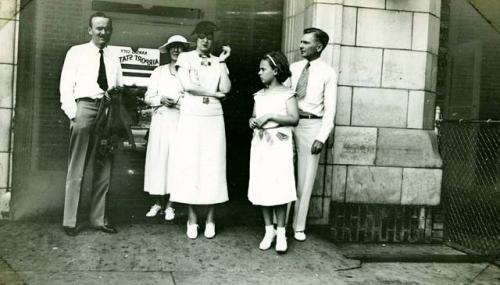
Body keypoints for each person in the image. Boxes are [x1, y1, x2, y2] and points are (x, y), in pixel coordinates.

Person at [59, 12, 122, 236]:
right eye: (98, 28)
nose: (103, 32)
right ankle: (70, 220)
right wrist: (74, 114)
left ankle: (98, 219)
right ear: (90, 30)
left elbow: (118, 86)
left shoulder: (115, 56)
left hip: (107, 111)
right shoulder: (76, 52)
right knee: (77, 167)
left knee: (104, 166)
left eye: (106, 28)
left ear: (111, 30)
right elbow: (66, 85)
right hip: (84, 109)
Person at [168, 21, 231, 239]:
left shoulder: (217, 60)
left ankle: (211, 219)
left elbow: (226, 88)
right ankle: (192, 219)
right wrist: (213, 94)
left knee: (213, 165)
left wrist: (222, 62)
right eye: (202, 36)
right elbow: (188, 86)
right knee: (191, 165)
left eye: (210, 37)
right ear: (196, 38)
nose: (206, 40)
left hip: (213, 116)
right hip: (192, 115)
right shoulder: (186, 58)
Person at [287, 28, 337, 242]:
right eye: (300, 41)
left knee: (305, 180)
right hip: (290, 123)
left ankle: (298, 226)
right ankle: (281, 224)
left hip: (312, 126)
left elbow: (330, 109)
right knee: (285, 173)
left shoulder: (328, 73)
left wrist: (321, 137)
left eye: (306, 42)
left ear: (318, 47)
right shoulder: (293, 68)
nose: (301, 46)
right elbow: (284, 96)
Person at [248, 51, 299, 253]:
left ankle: (281, 232)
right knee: (263, 186)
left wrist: (269, 116)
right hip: (260, 143)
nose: (259, 73)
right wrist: (252, 121)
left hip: (279, 143)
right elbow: (254, 116)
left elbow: (294, 118)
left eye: (263, 69)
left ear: (275, 70)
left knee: (279, 186)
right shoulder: (259, 95)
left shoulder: (287, 94)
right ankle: (268, 230)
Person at [143, 35, 189, 221]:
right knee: (158, 161)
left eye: (180, 47)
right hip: (161, 122)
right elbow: (148, 97)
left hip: (180, 122)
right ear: (168, 50)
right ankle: (157, 203)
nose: (176, 50)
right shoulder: (159, 72)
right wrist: (160, 100)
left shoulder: (189, 72)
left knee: (175, 162)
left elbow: (194, 99)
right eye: (173, 47)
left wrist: (178, 101)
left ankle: (171, 205)